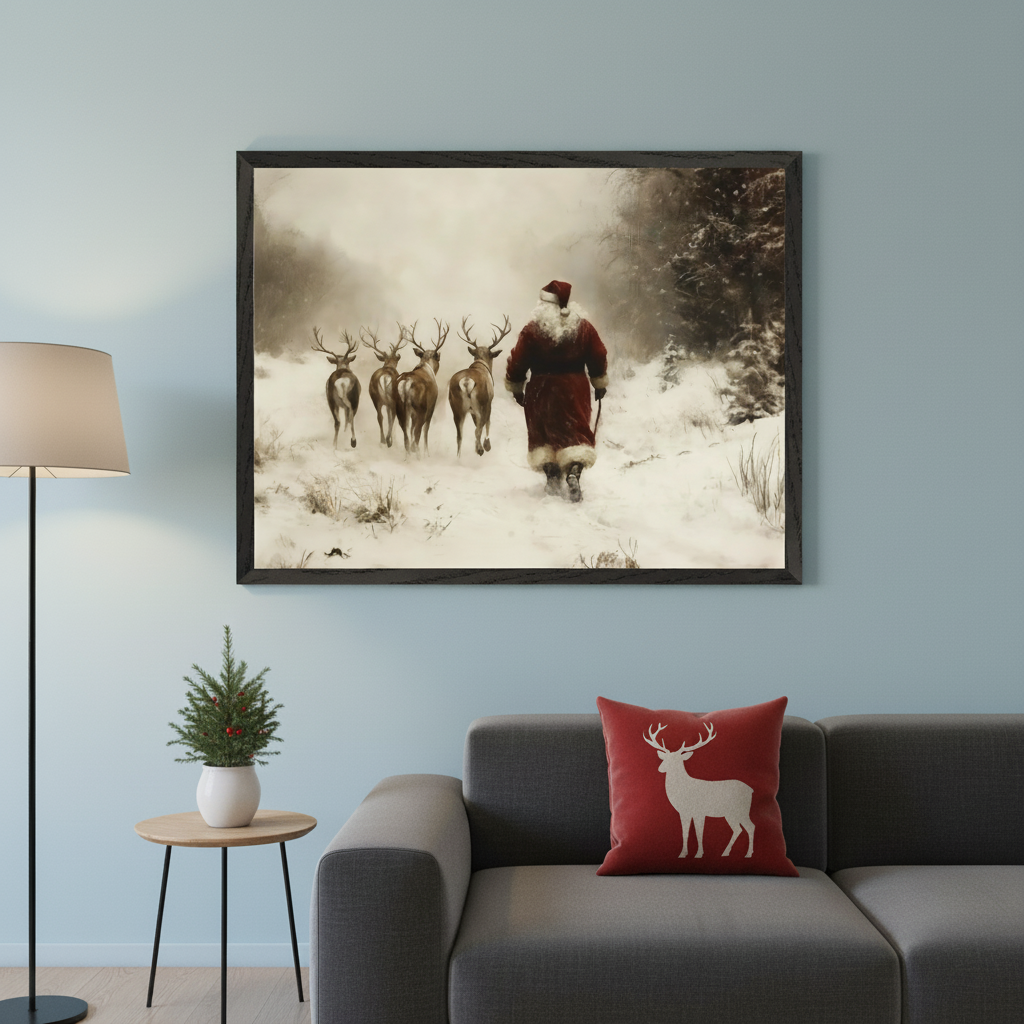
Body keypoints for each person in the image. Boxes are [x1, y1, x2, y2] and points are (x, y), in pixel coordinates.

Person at [504, 280, 608, 502]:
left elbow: (518, 359)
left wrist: (516, 386)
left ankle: (552, 475)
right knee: (575, 432)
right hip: (574, 389)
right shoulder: (583, 328)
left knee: (543, 433)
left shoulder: (532, 329)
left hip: (541, 390)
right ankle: (573, 472)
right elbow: (598, 355)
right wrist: (599, 383)